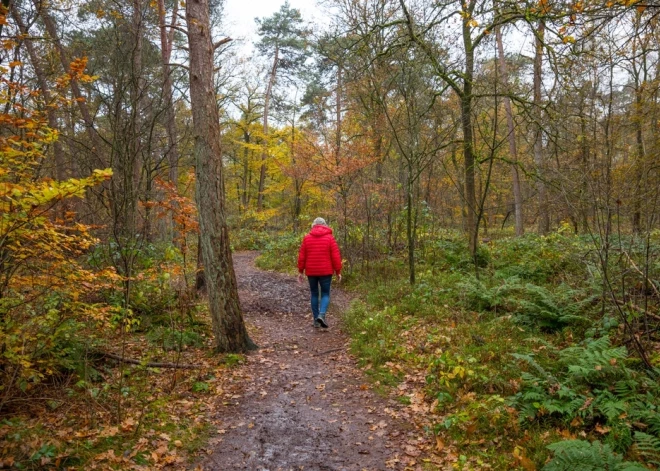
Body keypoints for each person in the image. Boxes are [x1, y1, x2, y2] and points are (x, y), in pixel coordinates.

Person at [297, 217, 342, 328]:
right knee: (325, 293)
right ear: (324, 225)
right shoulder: (330, 238)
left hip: (311, 271)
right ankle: (321, 315)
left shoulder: (307, 238)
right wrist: (338, 271)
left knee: (314, 293)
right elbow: (335, 256)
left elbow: (302, 257)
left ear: (313, 225)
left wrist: (300, 271)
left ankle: (316, 320)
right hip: (326, 271)